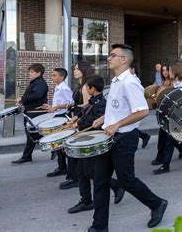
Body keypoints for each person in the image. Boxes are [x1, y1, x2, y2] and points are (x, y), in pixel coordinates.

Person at [88, 44, 167, 231]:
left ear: (124, 59)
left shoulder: (130, 82)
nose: (109, 58)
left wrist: (117, 124)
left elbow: (142, 112)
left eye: (112, 55)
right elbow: (117, 108)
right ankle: (99, 227)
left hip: (124, 138)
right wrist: (104, 118)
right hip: (108, 137)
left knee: (126, 180)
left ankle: (157, 204)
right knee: (100, 181)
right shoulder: (116, 81)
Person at [67, 75, 125, 214]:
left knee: (90, 171)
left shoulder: (102, 104)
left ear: (92, 89)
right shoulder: (93, 101)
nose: (85, 89)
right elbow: (84, 111)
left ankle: (115, 185)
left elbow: (93, 122)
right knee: (82, 171)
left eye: (87, 87)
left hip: (92, 141)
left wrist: (78, 124)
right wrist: (76, 117)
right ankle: (86, 200)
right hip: (84, 138)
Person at [59, 61, 93, 190]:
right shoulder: (80, 85)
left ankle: (75, 178)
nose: (74, 71)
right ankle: (74, 177)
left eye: (77, 69)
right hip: (78, 120)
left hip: (82, 123)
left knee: (74, 152)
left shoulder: (85, 86)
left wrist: (76, 122)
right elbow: (79, 105)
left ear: (84, 70)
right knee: (73, 153)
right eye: (74, 69)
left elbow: (87, 108)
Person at [12, 64, 48, 164]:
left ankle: (56, 149)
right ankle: (27, 156)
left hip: (36, 113)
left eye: (32, 72)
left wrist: (22, 99)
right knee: (32, 135)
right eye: (30, 71)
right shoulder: (35, 82)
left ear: (39, 73)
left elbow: (37, 95)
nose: (29, 74)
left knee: (34, 135)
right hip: (31, 112)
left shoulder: (40, 83)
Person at [44, 68, 74, 178]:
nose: (52, 77)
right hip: (57, 116)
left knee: (60, 143)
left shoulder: (64, 88)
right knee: (58, 144)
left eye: (54, 75)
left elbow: (70, 103)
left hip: (63, 118)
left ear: (61, 77)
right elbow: (60, 103)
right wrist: (51, 107)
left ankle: (63, 168)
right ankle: (61, 167)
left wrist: (56, 107)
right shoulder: (58, 87)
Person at [130, 61, 151, 149]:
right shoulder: (131, 79)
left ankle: (143, 136)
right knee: (130, 126)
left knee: (130, 126)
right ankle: (144, 136)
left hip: (135, 107)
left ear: (133, 70)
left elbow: (141, 92)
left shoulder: (135, 80)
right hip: (132, 107)